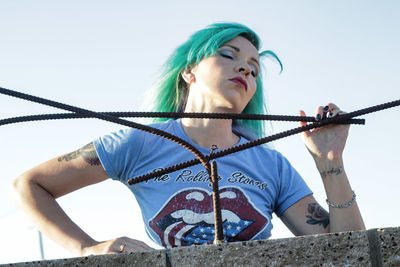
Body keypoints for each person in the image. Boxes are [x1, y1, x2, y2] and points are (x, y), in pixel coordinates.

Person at [10, 22, 365, 256]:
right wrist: (88, 249)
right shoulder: (140, 143)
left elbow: (349, 251)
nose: (245, 68)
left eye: (254, 69)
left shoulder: (270, 164)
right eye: (228, 55)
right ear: (189, 71)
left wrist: (330, 162)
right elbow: (29, 185)